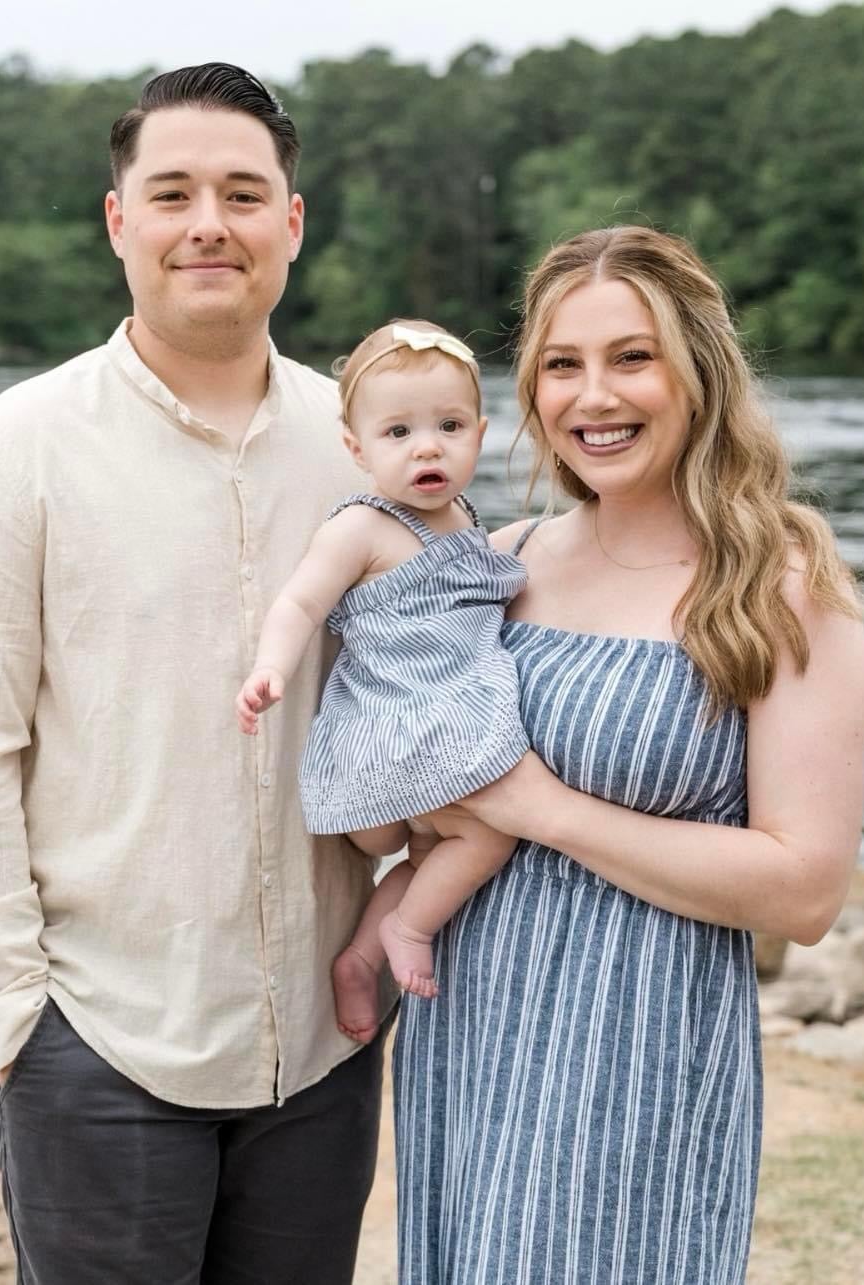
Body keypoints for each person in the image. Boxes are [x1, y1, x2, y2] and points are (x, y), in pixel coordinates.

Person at [0, 63, 387, 1285]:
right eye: (171, 193)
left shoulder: (366, 450)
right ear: (121, 222)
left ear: (293, 221)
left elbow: (437, 701)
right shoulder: (14, 453)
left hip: (320, 1051)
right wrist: (17, 1024)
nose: (207, 222)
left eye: (241, 191)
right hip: (99, 1046)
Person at [392, 226, 864, 1283]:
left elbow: (805, 888)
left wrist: (544, 808)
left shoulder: (777, 582)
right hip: (468, 1026)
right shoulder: (495, 564)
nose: (592, 396)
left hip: (637, 1051)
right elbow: (417, 787)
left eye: (630, 357)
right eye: (562, 365)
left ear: (698, 372)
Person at [235, 320, 529, 1038]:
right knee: (491, 838)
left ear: (481, 433)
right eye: (398, 432)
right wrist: (271, 667)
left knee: (434, 857)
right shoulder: (361, 527)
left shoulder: (465, 519)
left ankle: (361, 957)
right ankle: (410, 933)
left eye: (449, 426)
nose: (428, 446)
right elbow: (301, 600)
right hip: (394, 740)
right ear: (356, 448)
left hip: (430, 750)